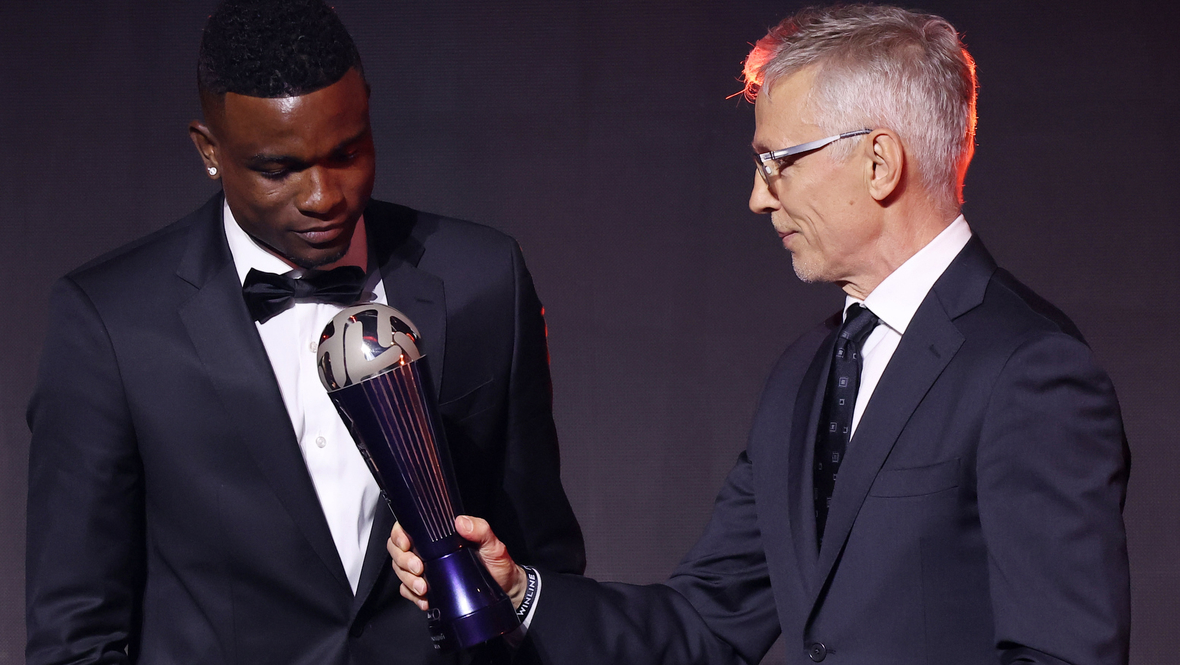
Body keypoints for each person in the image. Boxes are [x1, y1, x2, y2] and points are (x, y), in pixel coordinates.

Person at [389, 5, 1131, 664]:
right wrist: (519, 593)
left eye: (776, 163)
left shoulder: (1029, 369)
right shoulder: (807, 372)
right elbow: (705, 622)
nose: (757, 198)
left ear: (878, 162)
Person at [25, 1, 585, 663]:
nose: (324, 196)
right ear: (209, 151)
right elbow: (74, 632)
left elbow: (545, 570)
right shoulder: (110, 320)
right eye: (278, 170)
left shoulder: (483, 280)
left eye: (347, 153)